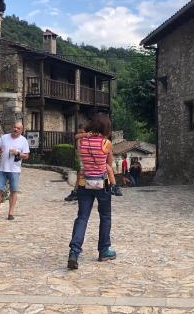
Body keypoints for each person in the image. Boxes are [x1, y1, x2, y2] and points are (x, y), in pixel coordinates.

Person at [68, 114, 117, 270]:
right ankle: (104, 250)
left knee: (82, 218)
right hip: (102, 184)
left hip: (84, 184)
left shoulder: (82, 142)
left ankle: (74, 252)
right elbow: (109, 163)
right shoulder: (106, 143)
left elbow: (79, 156)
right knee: (105, 217)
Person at [65, 125, 122, 201]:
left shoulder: (99, 140)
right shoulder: (82, 140)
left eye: (83, 132)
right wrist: (84, 135)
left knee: (106, 173)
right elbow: (77, 138)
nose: (81, 134)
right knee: (80, 176)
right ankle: (76, 192)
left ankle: (110, 189)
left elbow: (109, 157)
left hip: (98, 163)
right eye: (81, 132)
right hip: (88, 163)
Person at [0, 120, 29, 221]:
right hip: (2, 168)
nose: (15, 129)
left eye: (18, 128)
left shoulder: (23, 141)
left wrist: (18, 153)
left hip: (14, 170)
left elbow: (26, 156)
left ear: (21, 130)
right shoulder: (4, 137)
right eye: (14, 127)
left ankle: (10, 213)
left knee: (13, 191)